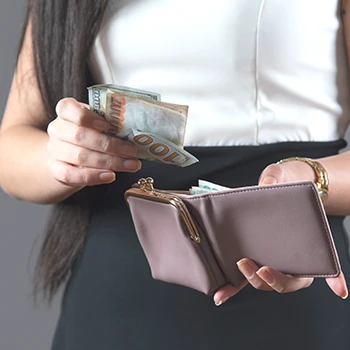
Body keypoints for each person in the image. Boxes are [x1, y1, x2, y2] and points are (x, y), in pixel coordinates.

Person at [1, 0, 350, 349]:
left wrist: (315, 181)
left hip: (291, 294)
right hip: (116, 299)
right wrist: (61, 156)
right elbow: (11, 146)